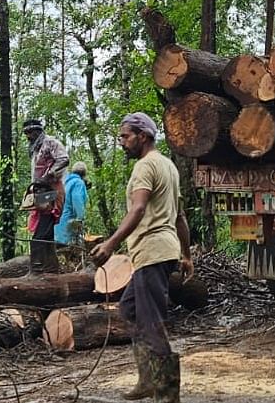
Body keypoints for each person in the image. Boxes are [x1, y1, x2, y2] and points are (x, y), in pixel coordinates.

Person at [92, 113, 193, 403]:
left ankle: (167, 395)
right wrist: (186, 255)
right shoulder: (168, 166)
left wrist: (111, 244)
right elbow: (180, 216)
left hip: (152, 252)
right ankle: (148, 381)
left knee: (152, 322)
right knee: (130, 310)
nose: (121, 142)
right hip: (161, 251)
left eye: (126, 136)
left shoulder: (145, 167)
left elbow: (137, 210)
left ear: (143, 136)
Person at [23, 117, 68, 274]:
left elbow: (63, 159)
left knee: (39, 236)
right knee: (47, 235)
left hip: (51, 191)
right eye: (26, 133)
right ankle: (52, 270)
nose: (28, 136)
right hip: (41, 191)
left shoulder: (51, 143)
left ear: (37, 131)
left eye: (30, 132)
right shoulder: (35, 149)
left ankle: (36, 271)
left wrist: (49, 175)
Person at [54, 161, 89, 248]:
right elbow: (77, 200)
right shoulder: (78, 183)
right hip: (68, 224)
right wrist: (80, 218)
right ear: (84, 174)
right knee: (69, 252)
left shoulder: (65, 183)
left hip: (58, 225)